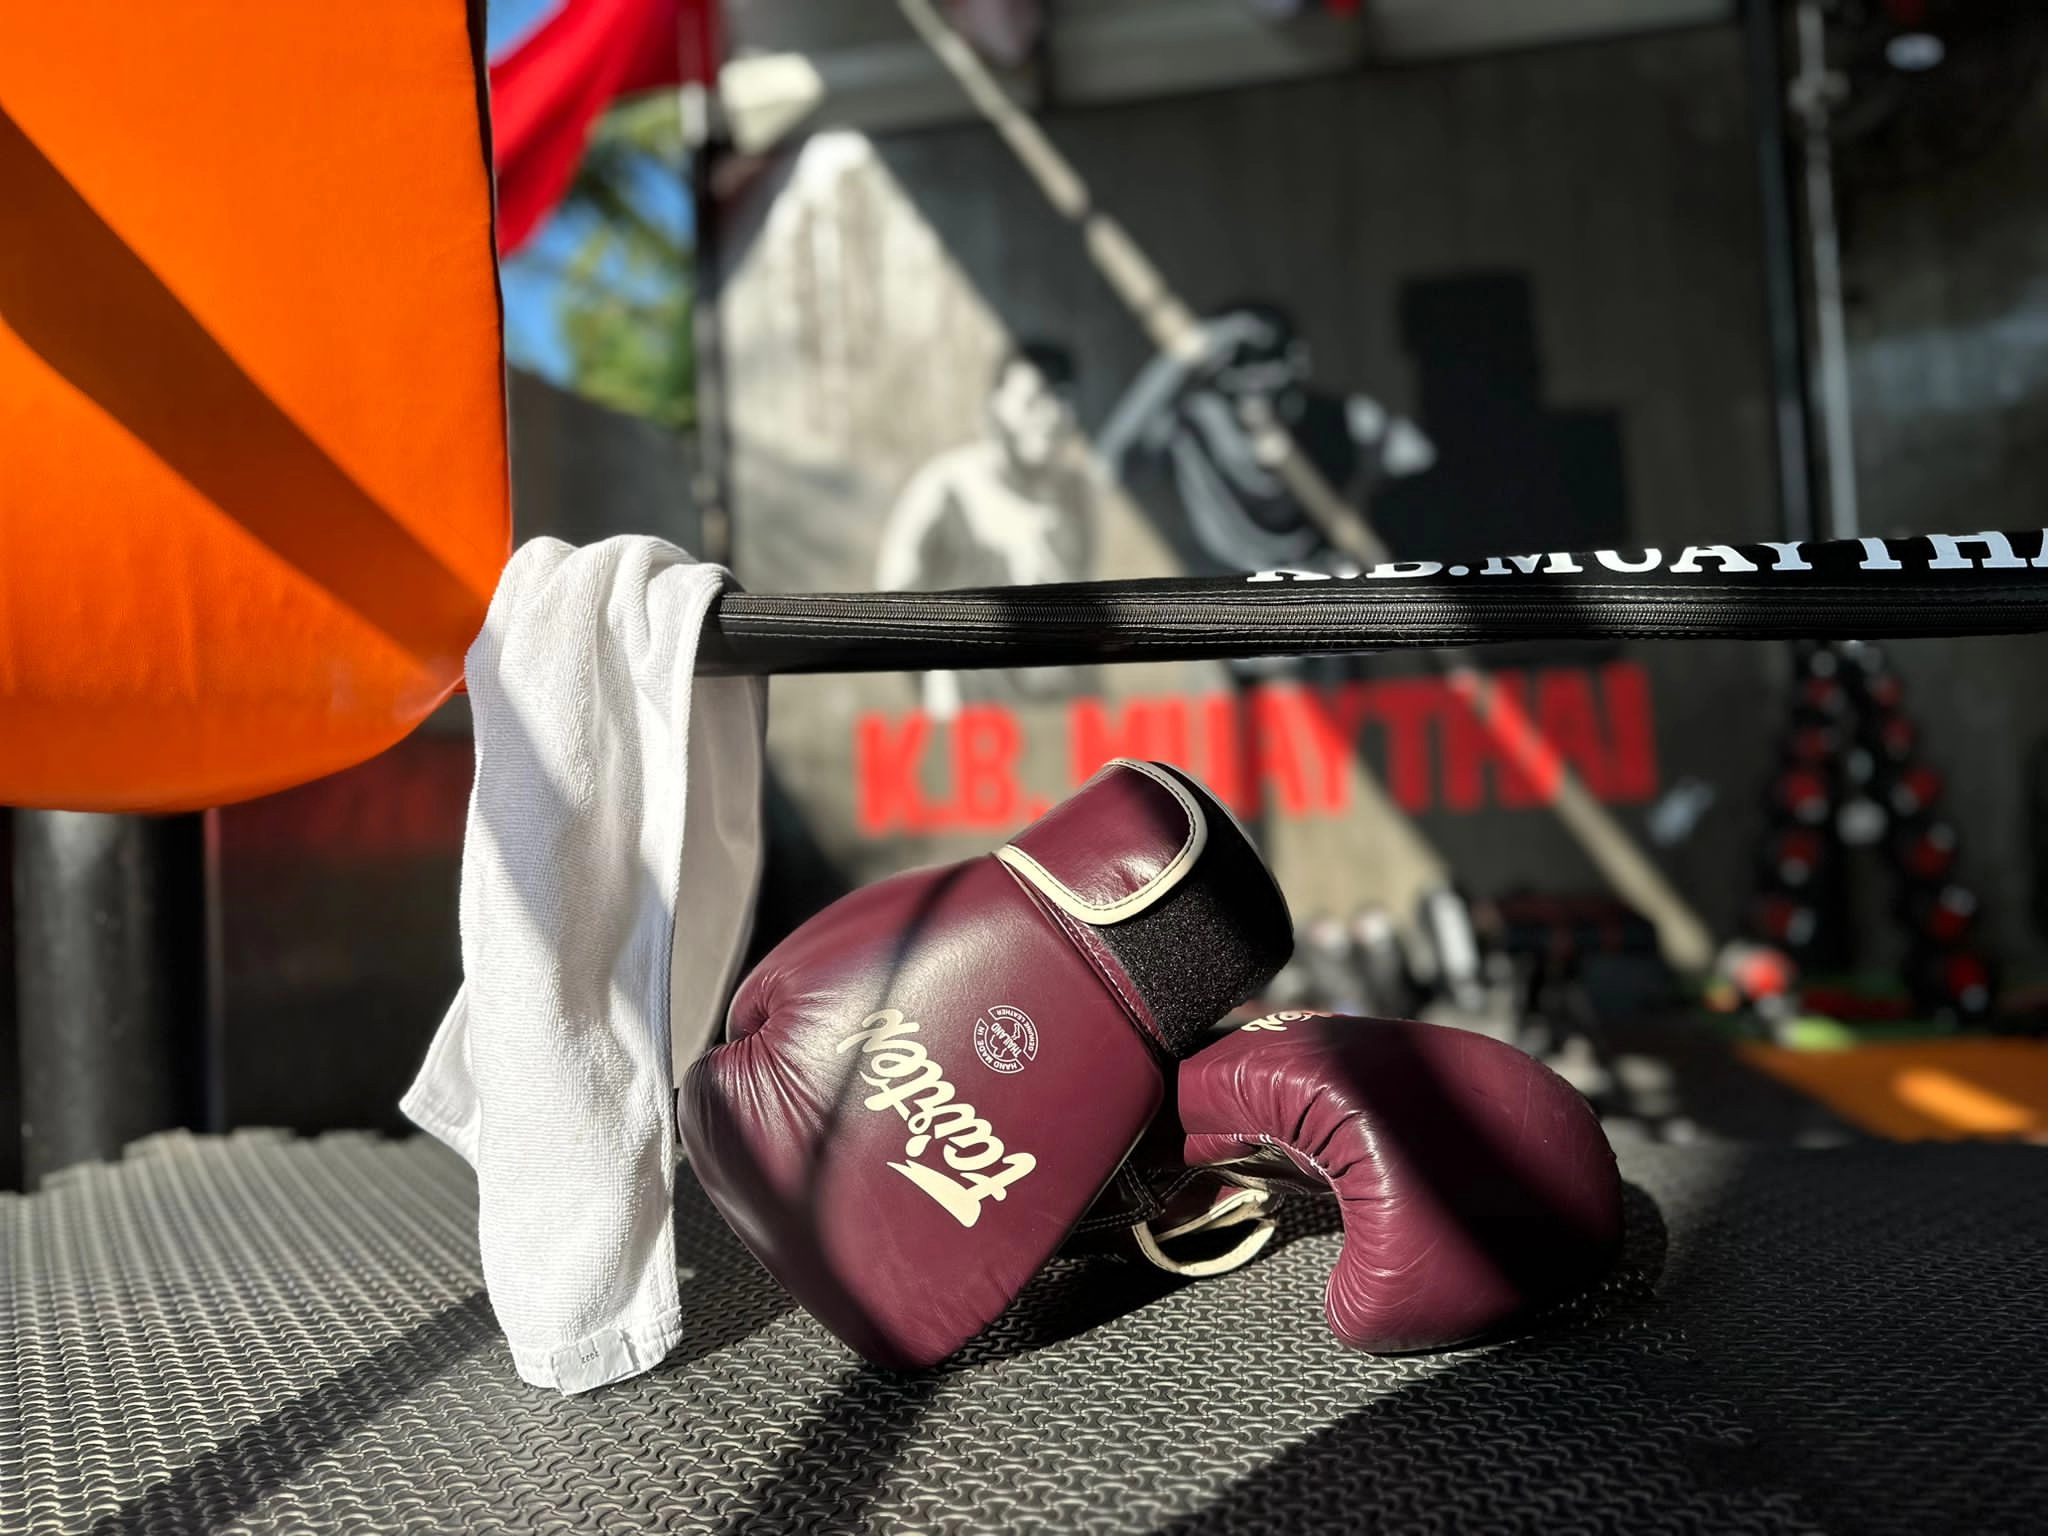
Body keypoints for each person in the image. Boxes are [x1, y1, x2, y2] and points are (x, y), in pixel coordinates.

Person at [1096, 303, 1434, 575]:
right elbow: (1108, 463)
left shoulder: (1340, 418)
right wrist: (1180, 357)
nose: (1250, 380)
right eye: (1235, 363)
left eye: (1263, 360)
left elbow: (1418, 458)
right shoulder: (1194, 424)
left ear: (1296, 361)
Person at [875, 341, 1096, 717]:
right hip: (970, 727)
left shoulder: (1078, 492)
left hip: (1056, 718)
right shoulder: (948, 489)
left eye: (1062, 399)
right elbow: (890, 605)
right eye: (1033, 400)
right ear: (994, 407)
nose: (1050, 415)